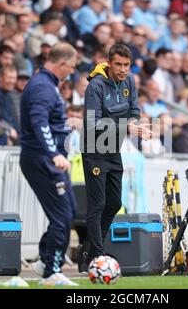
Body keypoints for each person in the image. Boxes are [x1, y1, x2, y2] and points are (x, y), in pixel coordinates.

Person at [78, 43, 153, 274]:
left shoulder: (129, 81)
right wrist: (127, 127)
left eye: (126, 65)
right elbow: (92, 124)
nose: (122, 69)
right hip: (93, 150)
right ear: (109, 63)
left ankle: (89, 252)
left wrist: (136, 123)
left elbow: (134, 109)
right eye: (118, 64)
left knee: (115, 203)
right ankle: (98, 257)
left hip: (113, 149)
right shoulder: (96, 87)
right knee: (98, 204)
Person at [19, 42, 79, 286]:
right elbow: (39, 123)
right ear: (62, 63)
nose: (71, 73)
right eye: (71, 67)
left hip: (46, 158)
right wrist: (54, 153)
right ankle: (52, 272)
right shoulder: (43, 87)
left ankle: (46, 260)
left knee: (69, 211)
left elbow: (49, 122)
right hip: (42, 159)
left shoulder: (46, 85)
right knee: (62, 215)